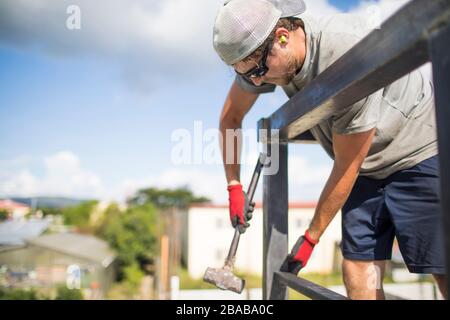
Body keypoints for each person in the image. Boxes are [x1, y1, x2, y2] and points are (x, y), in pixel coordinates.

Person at [212, 0, 447, 299]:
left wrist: (310, 238)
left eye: (258, 70)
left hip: (418, 150)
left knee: (441, 266)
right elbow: (231, 117)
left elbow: (346, 164)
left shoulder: (345, 55)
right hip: (365, 166)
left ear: (283, 36)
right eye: (247, 75)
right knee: (356, 269)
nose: (256, 81)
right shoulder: (262, 57)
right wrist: (233, 185)